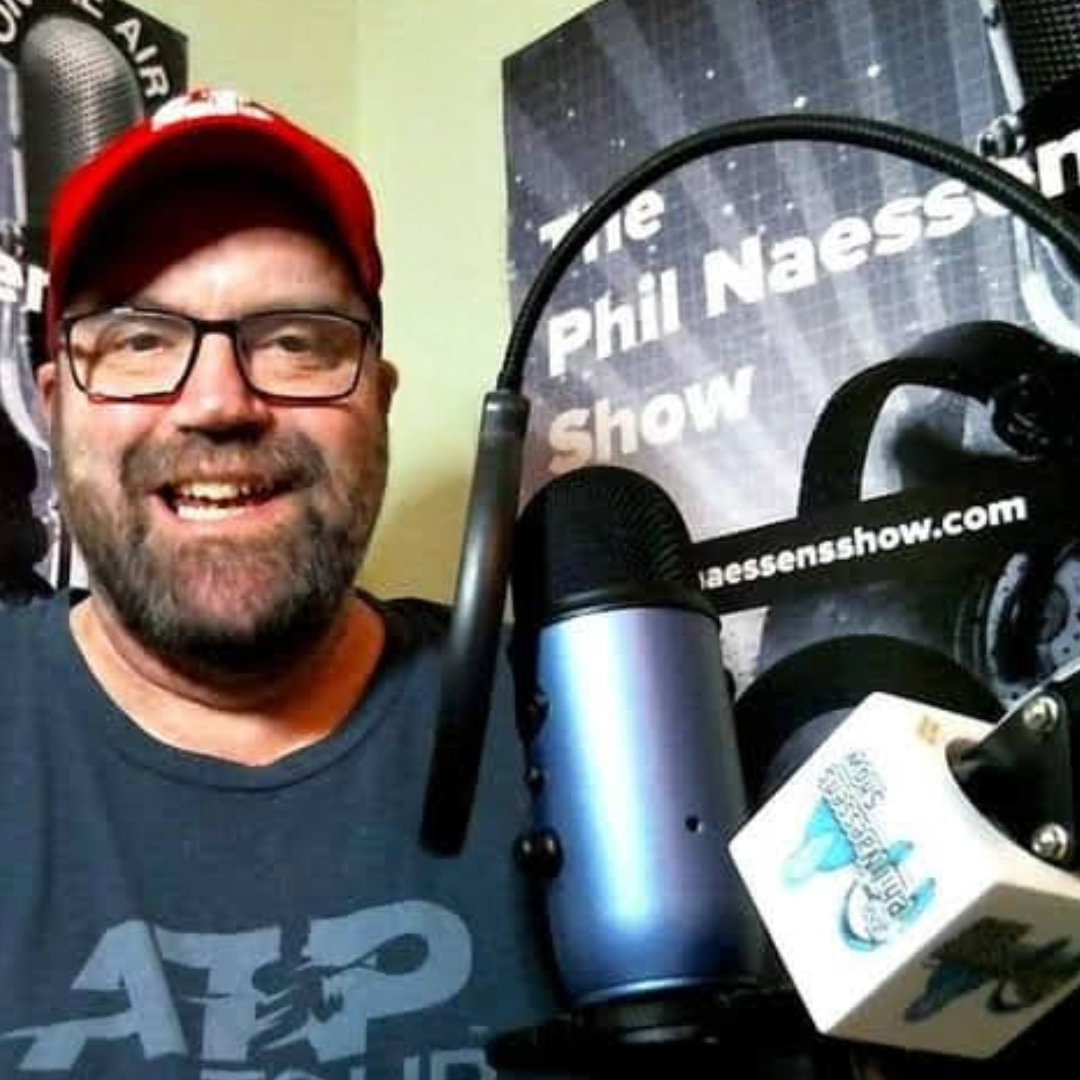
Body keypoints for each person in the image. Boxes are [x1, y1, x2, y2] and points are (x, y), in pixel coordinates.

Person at [0, 87, 561, 1080]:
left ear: (378, 399)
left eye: (295, 339)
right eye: (140, 340)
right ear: (55, 406)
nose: (220, 402)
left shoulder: (580, 723)